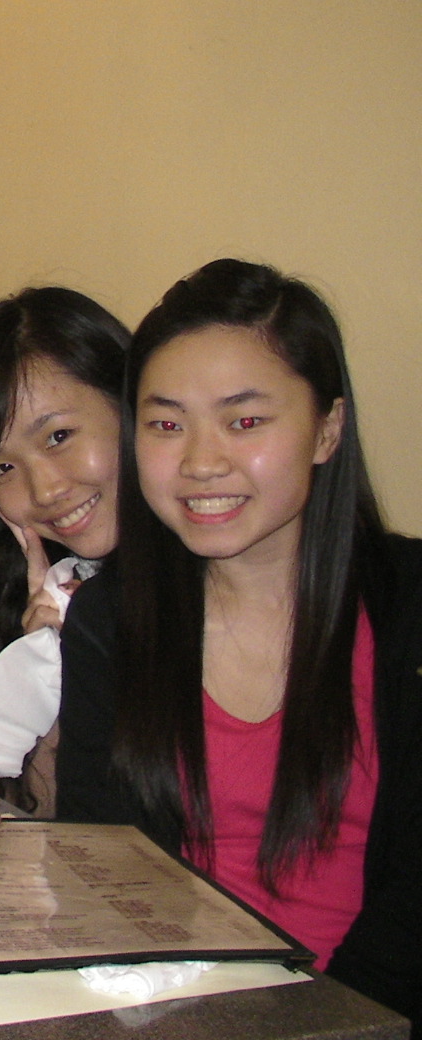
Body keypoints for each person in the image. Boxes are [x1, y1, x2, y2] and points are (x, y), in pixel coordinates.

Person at [56, 259, 420, 1025]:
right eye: (166, 424)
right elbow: (103, 862)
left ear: (327, 429)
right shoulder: (111, 620)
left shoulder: (407, 611)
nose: (200, 462)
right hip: (161, 1009)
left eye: (245, 421)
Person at [0, 287, 129, 815]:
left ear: (129, 407)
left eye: (58, 436)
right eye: (3, 467)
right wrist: (43, 661)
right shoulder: (32, 586)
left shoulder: (217, 587)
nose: (45, 490)